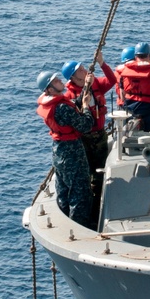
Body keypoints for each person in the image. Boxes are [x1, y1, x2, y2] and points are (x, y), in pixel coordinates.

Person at [35, 70, 94, 227]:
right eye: (55, 81)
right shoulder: (61, 107)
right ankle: (79, 227)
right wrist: (86, 107)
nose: (60, 81)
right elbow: (85, 125)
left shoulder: (54, 105)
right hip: (72, 151)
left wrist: (85, 88)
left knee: (63, 190)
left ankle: (65, 221)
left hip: (59, 150)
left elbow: (72, 107)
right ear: (49, 89)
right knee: (80, 192)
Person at [62, 49, 117, 215]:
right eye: (79, 70)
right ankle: (91, 207)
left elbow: (112, 80)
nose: (84, 69)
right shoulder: (70, 95)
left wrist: (102, 63)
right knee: (88, 172)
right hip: (85, 139)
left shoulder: (96, 84)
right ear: (73, 77)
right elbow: (76, 111)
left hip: (99, 134)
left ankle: (101, 200)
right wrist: (86, 86)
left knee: (100, 169)